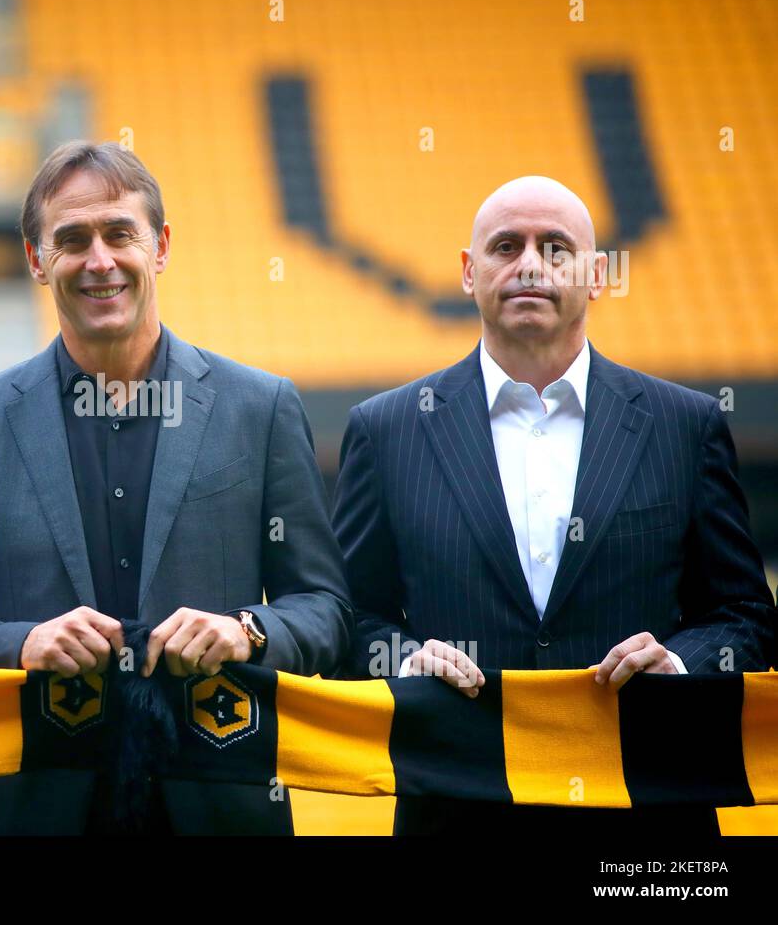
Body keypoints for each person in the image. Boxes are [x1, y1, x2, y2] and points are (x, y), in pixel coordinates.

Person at [0, 140, 351, 834]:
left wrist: (247, 631)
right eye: (72, 239)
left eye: (120, 233)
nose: (99, 260)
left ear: (161, 246)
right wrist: (22, 644)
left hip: (223, 802)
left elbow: (327, 610)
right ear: (36, 259)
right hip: (36, 807)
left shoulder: (260, 409)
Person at [332, 175, 776, 835]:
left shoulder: (685, 425)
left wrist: (681, 662)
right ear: (467, 271)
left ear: (596, 274)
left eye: (556, 247)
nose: (530, 265)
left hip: (646, 811)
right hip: (457, 805)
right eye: (506, 246)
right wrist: (403, 659)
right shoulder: (386, 429)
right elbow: (347, 615)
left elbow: (744, 614)